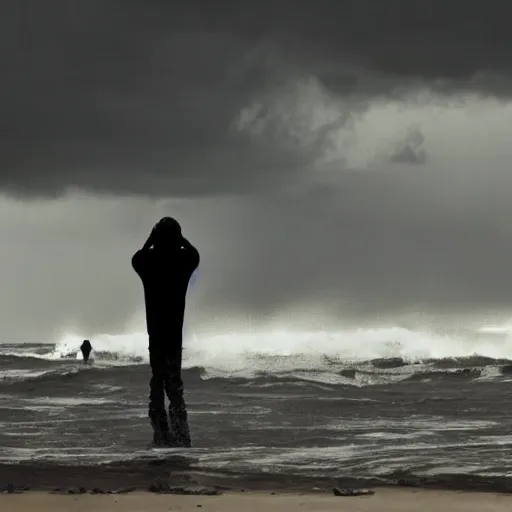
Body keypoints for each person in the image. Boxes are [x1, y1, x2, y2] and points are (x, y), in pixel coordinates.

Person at [132, 217, 200, 447]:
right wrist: (181, 241)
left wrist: (149, 241)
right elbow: (194, 254)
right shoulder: (182, 262)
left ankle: (161, 434)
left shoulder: (149, 262)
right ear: (177, 238)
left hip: (156, 334)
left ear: (156, 238)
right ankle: (181, 434)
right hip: (173, 334)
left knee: (157, 382)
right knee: (175, 385)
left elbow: (137, 257)